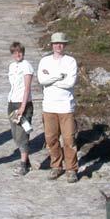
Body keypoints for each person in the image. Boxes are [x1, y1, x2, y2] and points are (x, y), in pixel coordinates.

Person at [37, 32, 78, 183]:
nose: (58, 46)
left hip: (66, 106)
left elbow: (70, 83)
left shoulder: (70, 61)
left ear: (65, 45)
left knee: (69, 139)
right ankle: (56, 166)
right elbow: (42, 80)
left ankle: (71, 168)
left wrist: (51, 79)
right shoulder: (44, 61)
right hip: (49, 106)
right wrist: (59, 76)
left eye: (61, 43)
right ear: (52, 45)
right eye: (56, 43)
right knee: (51, 139)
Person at [7, 41, 34, 176]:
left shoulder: (26, 66)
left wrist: (23, 107)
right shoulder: (12, 66)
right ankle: (26, 160)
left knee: (22, 134)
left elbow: (27, 88)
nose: (18, 54)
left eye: (20, 51)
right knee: (15, 134)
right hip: (12, 102)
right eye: (15, 52)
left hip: (23, 104)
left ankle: (23, 164)